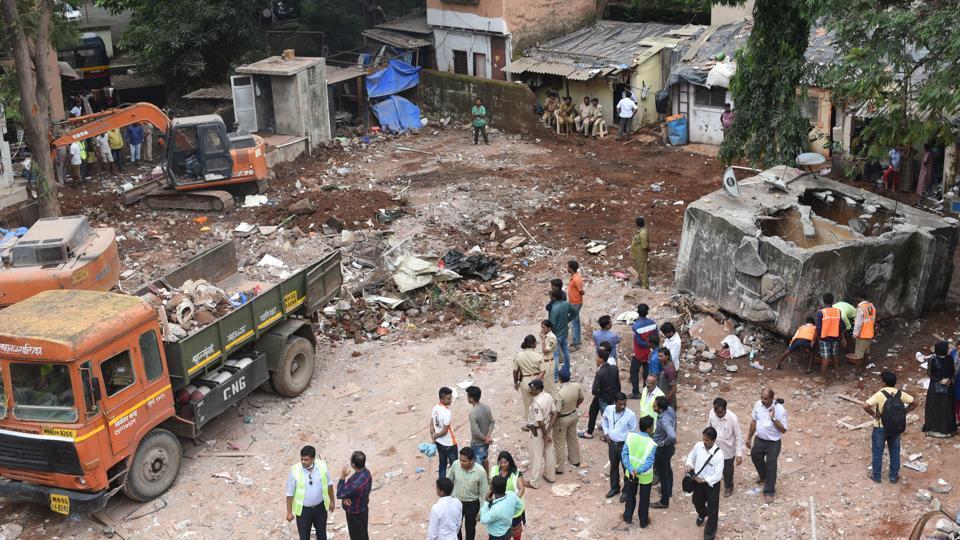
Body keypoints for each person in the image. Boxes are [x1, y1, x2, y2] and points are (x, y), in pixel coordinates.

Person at [863, 371, 916, 483]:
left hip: (880, 426)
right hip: (896, 427)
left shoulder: (880, 394)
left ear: (884, 382)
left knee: (878, 452)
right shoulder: (900, 394)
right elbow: (915, 402)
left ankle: (876, 476)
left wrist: (874, 414)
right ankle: (893, 477)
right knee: (894, 452)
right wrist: (904, 412)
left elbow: (866, 405)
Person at [285, 445, 335, 540]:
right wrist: (289, 512)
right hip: (303, 511)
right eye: (302, 459)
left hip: (320, 508)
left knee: (322, 535)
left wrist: (332, 500)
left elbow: (329, 484)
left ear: (313, 459)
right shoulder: (295, 470)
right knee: (304, 537)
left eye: (306, 459)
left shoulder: (322, 466)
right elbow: (289, 493)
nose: (303, 462)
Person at [747, 388, 788, 503]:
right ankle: (764, 476)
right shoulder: (758, 405)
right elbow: (754, 421)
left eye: (765, 399)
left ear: (771, 398)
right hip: (759, 439)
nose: (762, 400)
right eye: (761, 397)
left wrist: (773, 418)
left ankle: (769, 491)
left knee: (771, 465)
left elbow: (783, 430)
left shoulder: (780, 410)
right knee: (755, 456)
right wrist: (749, 437)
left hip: (773, 443)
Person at [685, 427, 724, 540]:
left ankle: (709, 535)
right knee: (696, 501)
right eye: (703, 439)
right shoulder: (698, 446)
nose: (704, 442)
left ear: (713, 440)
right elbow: (691, 456)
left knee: (713, 511)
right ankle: (702, 514)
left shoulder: (719, 455)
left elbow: (718, 475)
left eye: (707, 440)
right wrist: (689, 464)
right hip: (698, 482)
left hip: (712, 485)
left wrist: (704, 480)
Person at [621, 415, 657, 527]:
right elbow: (649, 462)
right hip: (645, 476)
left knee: (630, 496)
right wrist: (639, 470)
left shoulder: (630, 437)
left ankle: (628, 517)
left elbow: (624, 454)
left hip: (630, 474)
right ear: (649, 428)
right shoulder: (652, 444)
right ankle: (643, 521)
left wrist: (631, 469)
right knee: (644, 499)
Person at [601, 392, 637, 499]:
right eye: (620, 404)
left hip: (624, 446)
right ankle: (614, 488)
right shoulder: (609, 409)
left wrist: (627, 446)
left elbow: (633, 432)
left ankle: (626, 491)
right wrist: (606, 433)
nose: (623, 406)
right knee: (613, 467)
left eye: (625, 404)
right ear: (615, 402)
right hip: (611, 444)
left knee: (626, 469)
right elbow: (604, 420)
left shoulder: (630, 415)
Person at [447, 447, 489, 540]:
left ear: (471, 460)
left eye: (464, 461)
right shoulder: (455, 465)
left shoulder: (480, 471)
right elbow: (449, 481)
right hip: (456, 502)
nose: (461, 463)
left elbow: (484, 493)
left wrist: (481, 511)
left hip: (472, 504)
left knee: (470, 529)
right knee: (455, 528)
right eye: (460, 459)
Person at [580, 346, 619, 439]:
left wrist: (598, 394)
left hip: (602, 396)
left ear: (601, 359)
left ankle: (607, 436)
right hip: (613, 395)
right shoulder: (614, 368)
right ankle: (590, 431)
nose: (596, 359)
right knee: (594, 410)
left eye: (597, 357)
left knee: (606, 415)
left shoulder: (600, 372)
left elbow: (594, 390)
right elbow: (618, 384)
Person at [525, 379, 557, 489]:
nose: (530, 390)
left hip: (537, 432)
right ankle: (550, 476)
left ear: (538, 389)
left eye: (532, 389)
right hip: (548, 428)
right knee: (549, 452)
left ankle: (533, 482)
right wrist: (548, 432)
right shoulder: (548, 396)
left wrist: (544, 434)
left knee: (536, 456)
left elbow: (540, 421)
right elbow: (554, 414)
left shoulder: (537, 403)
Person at [708, 397, 744, 497]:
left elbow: (739, 436)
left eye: (720, 412)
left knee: (728, 470)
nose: (718, 415)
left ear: (725, 409)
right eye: (716, 412)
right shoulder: (712, 413)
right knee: (712, 466)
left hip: (728, 450)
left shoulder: (732, 418)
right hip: (715, 448)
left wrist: (739, 454)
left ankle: (728, 487)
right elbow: (709, 427)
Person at [922, 341, 958, 437]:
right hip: (935, 387)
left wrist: (949, 379)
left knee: (947, 407)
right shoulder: (932, 359)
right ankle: (934, 429)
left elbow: (953, 371)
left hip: (947, 386)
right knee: (935, 407)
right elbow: (930, 373)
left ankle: (947, 430)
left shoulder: (950, 358)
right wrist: (939, 381)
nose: (948, 350)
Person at [553, 366, 583, 475]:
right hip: (573, 415)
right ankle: (575, 460)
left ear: (560, 378)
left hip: (562, 419)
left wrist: (550, 425)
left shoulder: (560, 392)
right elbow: (581, 398)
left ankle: (559, 468)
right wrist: (576, 405)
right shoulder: (576, 386)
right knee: (572, 438)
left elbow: (557, 411)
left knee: (559, 444)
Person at [489, 451, 525, 540]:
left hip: (512, 506)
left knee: (515, 528)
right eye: (501, 462)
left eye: (505, 462)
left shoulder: (517, 472)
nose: (503, 465)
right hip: (499, 505)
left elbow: (521, 489)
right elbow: (491, 486)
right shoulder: (494, 470)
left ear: (510, 462)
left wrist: (513, 501)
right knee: (501, 528)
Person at [337, 451, 372, 540]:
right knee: (363, 535)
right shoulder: (366, 473)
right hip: (363, 509)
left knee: (357, 537)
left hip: (355, 513)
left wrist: (342, 476)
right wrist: (346, 497)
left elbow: (339, 493)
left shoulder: (356, 484)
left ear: (353, 465)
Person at [650, 395, 676, 509]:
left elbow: (672, 436)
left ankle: (664, 501)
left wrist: (662, 443)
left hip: (662, 450)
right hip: (669, 449)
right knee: (668, 470)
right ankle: (668, 491)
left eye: (654, 405)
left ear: (660, 408)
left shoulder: (664, 420)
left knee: (663, 475)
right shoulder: (670, 410)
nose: (653, 406)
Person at [479, 476, 523, 540]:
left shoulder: (496, 509)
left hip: (496, 536)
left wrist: (486, 502)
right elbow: (519, 506)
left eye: (491, 484)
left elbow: (483, 520)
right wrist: (508, 514)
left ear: (493, 489)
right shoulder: (511, 494)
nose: (489, 486)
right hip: (508, 530)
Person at [630, 303, 657, 399]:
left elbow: (639, 341)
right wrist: (651, 346)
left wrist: (646, 344)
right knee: (646, 373)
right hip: (649, 353)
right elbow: (656, 337)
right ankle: (646, 393)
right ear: (647, 312)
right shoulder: (653, 324)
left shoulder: (636, 326)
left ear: (638, 312)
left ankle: (635, 392)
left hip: (638, 353)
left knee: (634, 372)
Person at [814, 293, 843, 381]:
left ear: (823, 300)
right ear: (832, 300)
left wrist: (815, 338)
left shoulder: (821, 312)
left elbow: (818, 328)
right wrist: (842, 337)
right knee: (835, 355)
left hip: (825, 338)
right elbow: (840, 325)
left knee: (826, 357)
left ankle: (822, 377)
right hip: (835, 336)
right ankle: (837, 373)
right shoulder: (838, 311)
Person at [432, 387, 458, 480]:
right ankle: (454, 485)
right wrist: (437, 435)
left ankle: (441, 484)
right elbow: (445, 430)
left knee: (442, 464)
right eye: (448, 399)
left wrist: (434, 436)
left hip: (439, 443)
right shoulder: (447, 412)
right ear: (442, 399)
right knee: (454, 466)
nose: (451, 400)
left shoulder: (435, 408)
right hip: (449, 443)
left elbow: (431, 423)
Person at [467, 386, 495, 471]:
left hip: (477, 443)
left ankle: (480, 483)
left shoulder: (472, 413)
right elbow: (492, 422)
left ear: (471, 398)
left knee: (477, 466)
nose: (467, 398)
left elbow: (475, 431)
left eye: (468, 396)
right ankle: (487, 479)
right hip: (486, 442)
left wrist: (485, 438)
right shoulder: (486, 407)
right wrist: (488, 437)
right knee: (485, 459)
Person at [846, 297, 876, 376]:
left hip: (862, 335)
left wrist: (855, 335)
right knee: (866, 353)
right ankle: (863, 370)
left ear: (859, 297)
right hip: (870, 334)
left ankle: (855, 373)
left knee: (859, 355)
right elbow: (872, 319)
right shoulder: (871, 306)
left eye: (857, 297)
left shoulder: (860, 308)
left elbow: (858, 324)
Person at [547, 289, 574, 376]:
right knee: (565, 351)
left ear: (554, 297)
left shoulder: (554, 308)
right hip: (564, 332)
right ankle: (567, 370)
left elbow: (552, 324)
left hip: (556, 334)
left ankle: (555, 376)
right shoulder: (566, 304)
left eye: (551, 296)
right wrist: (567, 320)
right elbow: (575, 312)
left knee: (555, 356)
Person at [566, 260, 585, 351]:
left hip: (575, 303)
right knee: (576, 321)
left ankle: (575, 343)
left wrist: (581, 292)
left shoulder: (576, 279)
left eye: (568, 267)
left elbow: (581, 291)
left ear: (571, 268)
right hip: (575, 302)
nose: (567, 268)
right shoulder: (574, 277)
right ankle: (578, 339)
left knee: (573, 323)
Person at [538, 321, 558, 398]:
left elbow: (545, 351)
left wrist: (543, 340)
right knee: (546, 383)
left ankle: (555, 400)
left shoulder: (552, 338)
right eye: (541, 327)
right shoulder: (546, 335)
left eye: (544, 327)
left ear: (549, 328)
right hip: (545, 361)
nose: (542, 329)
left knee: (549, 384)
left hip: (549, 362)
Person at [630, 217, 649, 288]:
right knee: (640, 269)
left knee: (643, 271)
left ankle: (645, 286)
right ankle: (641, 282)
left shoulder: (642, 233)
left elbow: (644, 246)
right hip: (638, 255)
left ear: (637, 224)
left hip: (641, 255)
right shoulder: (640, 232)